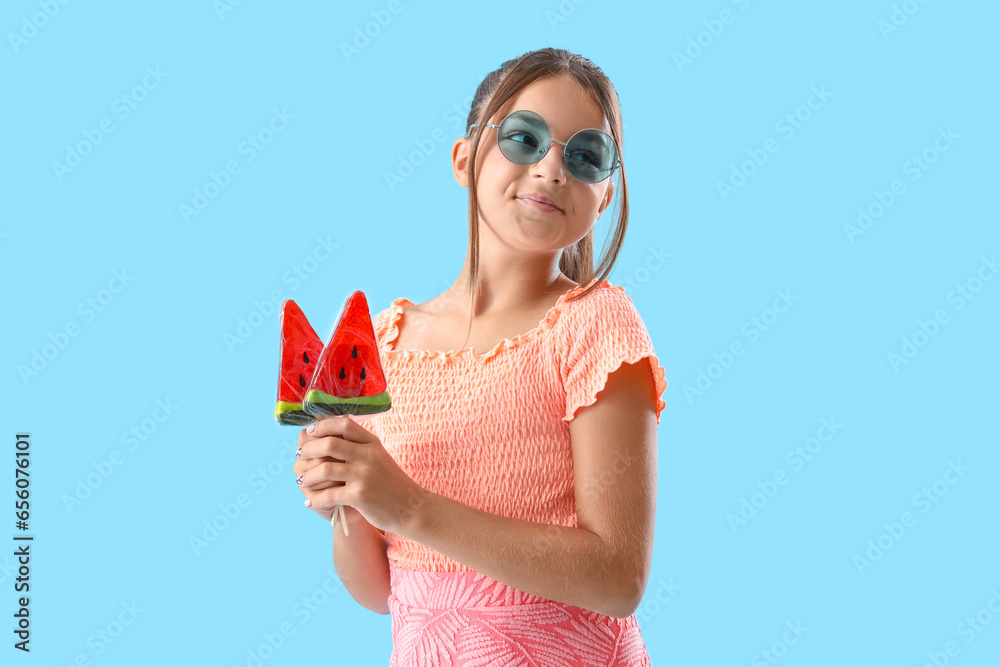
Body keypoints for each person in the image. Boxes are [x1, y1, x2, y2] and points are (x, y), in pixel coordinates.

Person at [293, 47, 667, 666]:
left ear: (603, 197)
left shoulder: (596, 326)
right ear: (465, 160)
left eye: (585, 156)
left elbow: (617, 579)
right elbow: (380, 592)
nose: (552, 170)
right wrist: (346, 500)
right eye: (525, 138)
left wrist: (407, 505)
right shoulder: (381, 340)